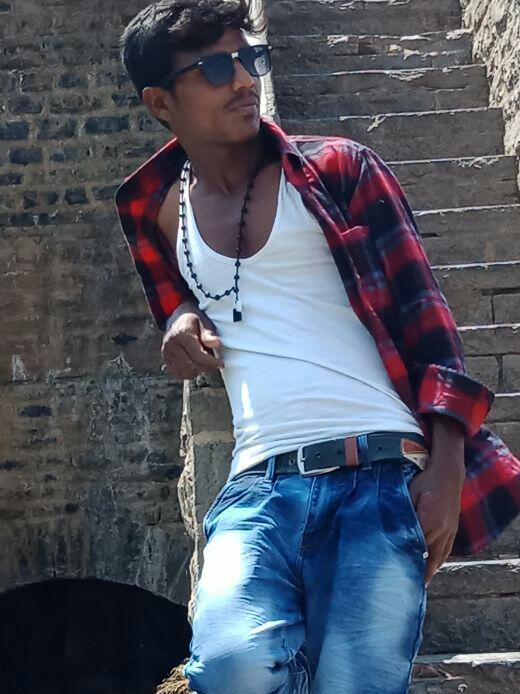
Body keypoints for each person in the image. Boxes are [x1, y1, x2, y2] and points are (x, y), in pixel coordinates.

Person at [115, 2, 520, 692]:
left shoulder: (340, 168)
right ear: (161, 103)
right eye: (215, 68)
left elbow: (428, 319)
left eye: (249, 59)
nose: (243, 79)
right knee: (231, 664)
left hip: (381, 474)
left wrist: (447, 467)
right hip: (259, 484)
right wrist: (179, 316)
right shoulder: (152, 212)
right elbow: (177, 298)